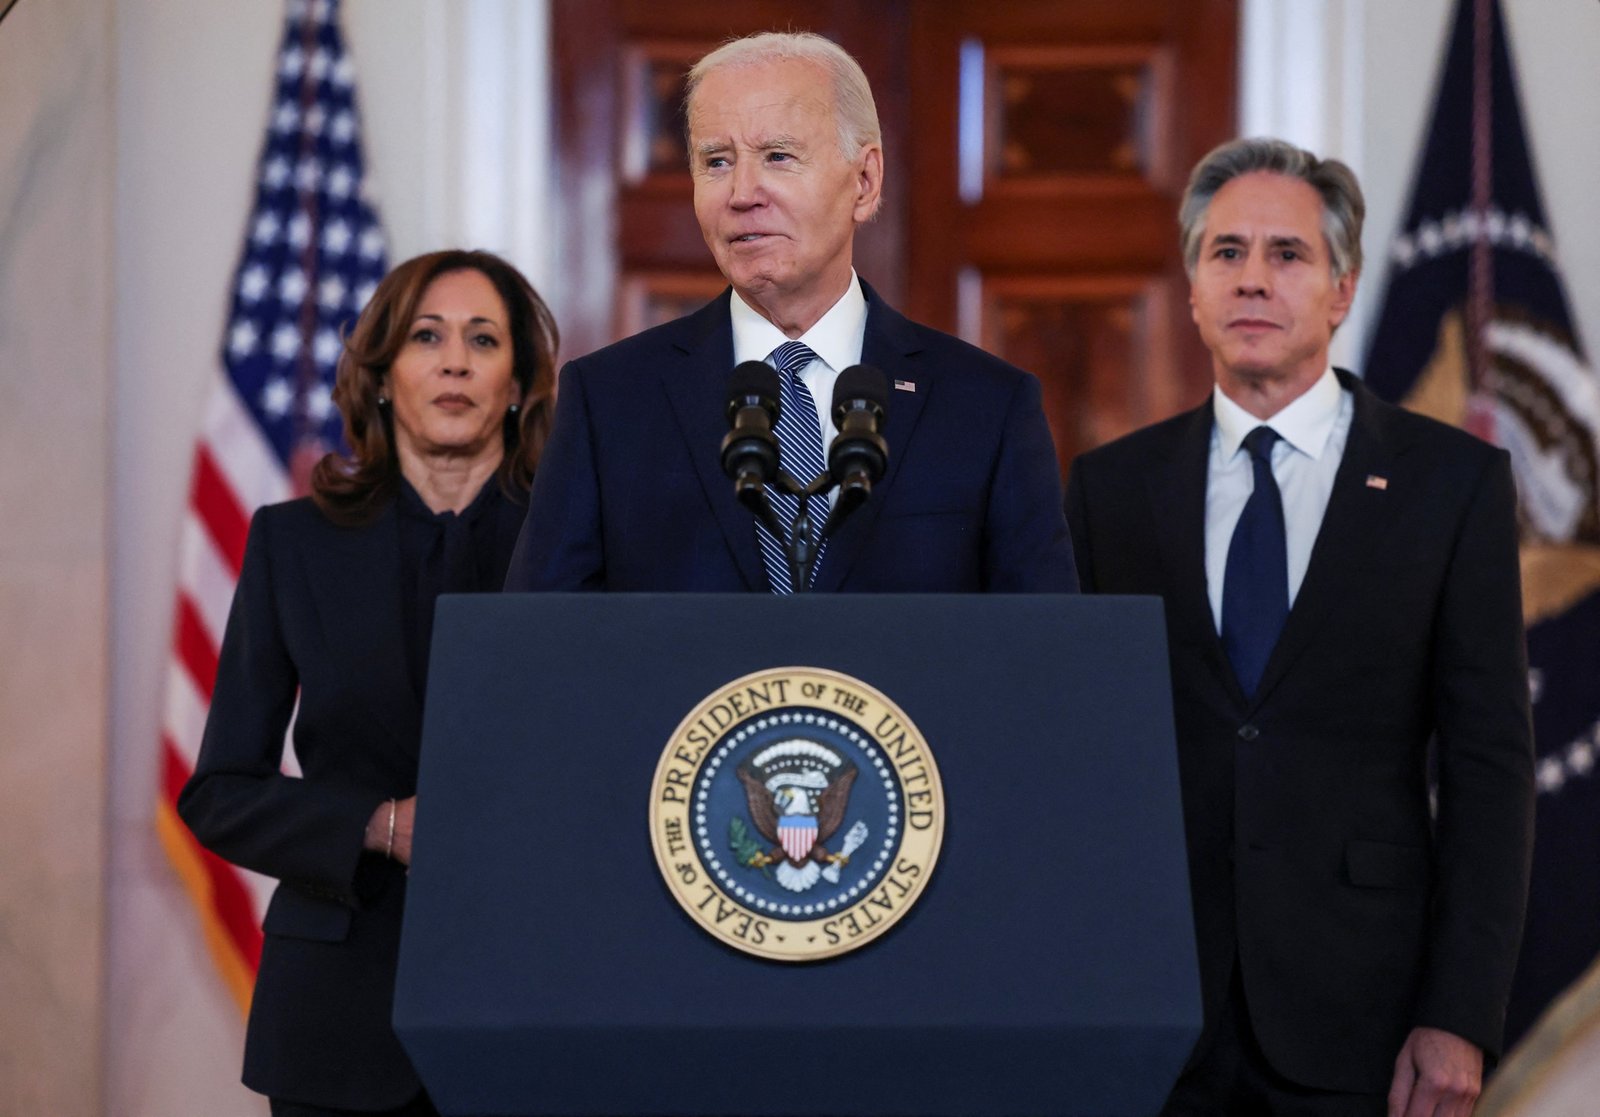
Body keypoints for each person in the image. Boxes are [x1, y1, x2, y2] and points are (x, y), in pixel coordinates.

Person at [1064, 138, 1534, 1116]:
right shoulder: (1110, 490)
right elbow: (1072, 753)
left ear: (1340, 289)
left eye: (1285, 254)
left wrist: (1461, 1014)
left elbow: (1489, 767)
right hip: (1153, 1017)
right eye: (1223, 252)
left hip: (1365, 1017)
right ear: (1191, 288)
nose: (1250, 280)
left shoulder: (1450, 485)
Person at [178, 249, 557, 1116]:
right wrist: (380, 826)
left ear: (517, 383)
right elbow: (218, 791)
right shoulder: (292, 544)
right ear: (383, 375)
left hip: (533, 1001)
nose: (455, 360)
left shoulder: (573, 546)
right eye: (427, 337)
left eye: (483, 339)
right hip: (336, 1017)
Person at [505, 31, 1075, 594]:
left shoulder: (987, 406)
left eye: (778, 156)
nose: (742, 192)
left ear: (865, 181)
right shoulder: (609, 399)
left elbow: (1045, 657)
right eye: (717, 161)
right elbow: (540, 648)